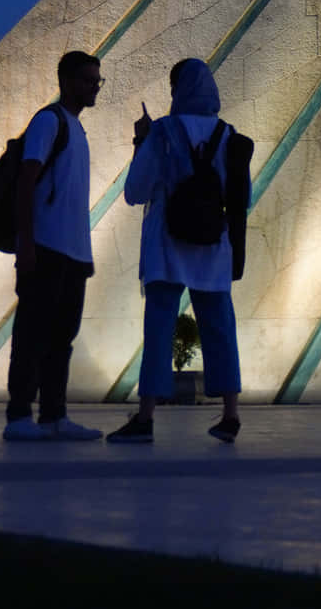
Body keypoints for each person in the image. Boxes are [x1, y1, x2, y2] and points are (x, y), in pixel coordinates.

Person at [107, 57, 252, 445]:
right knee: (220, 329)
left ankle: (146, 417)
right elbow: (242, 196)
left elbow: (136, 192)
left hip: (166, 245)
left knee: (158, 330)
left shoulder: (163, 132)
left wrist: (140, 141)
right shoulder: (229, 135)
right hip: (212, 247)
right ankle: (230, 414)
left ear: (177, 90)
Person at [3, 48, 104, 442]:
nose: (94, 87)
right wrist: (25, 243)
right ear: (65, 82)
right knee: (32, 333)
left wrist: (85, 255)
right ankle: (18, 417)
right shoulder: (49, 122)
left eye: (98, 80)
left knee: (61, 338)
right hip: (45, 248)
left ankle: (54, 415)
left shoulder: (77, 129)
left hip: (73, 254)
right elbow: (27, 181)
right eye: (87, 80)